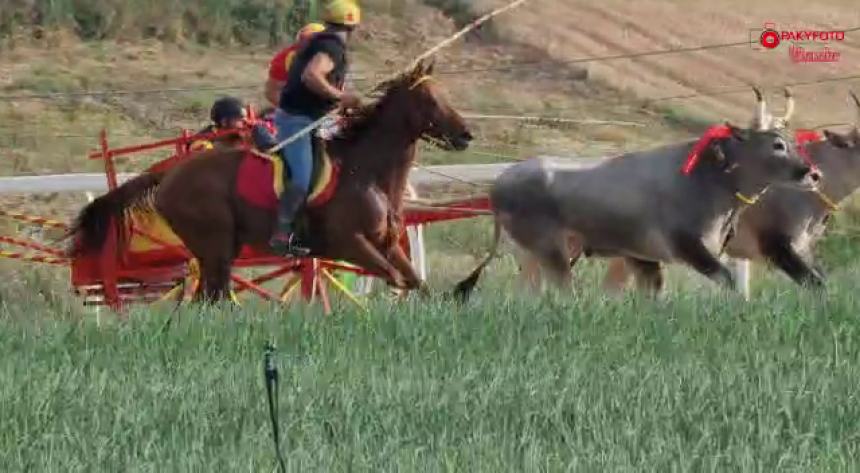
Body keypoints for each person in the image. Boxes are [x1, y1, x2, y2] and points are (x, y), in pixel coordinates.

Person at [265, 0, 363, 256]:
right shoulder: (331, 48)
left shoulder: (321, 42)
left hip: (314, 119)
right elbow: (312, 75)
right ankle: (282, 233)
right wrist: (340, 98)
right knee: (302, 176)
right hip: (297, 120)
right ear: (352, 28)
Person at [265, 22, 327, 107]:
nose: (305, 43)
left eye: (311, 40)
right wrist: (291, 110)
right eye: (303, 38)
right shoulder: (284, 58)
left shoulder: (332, 54)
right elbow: (272, 92)